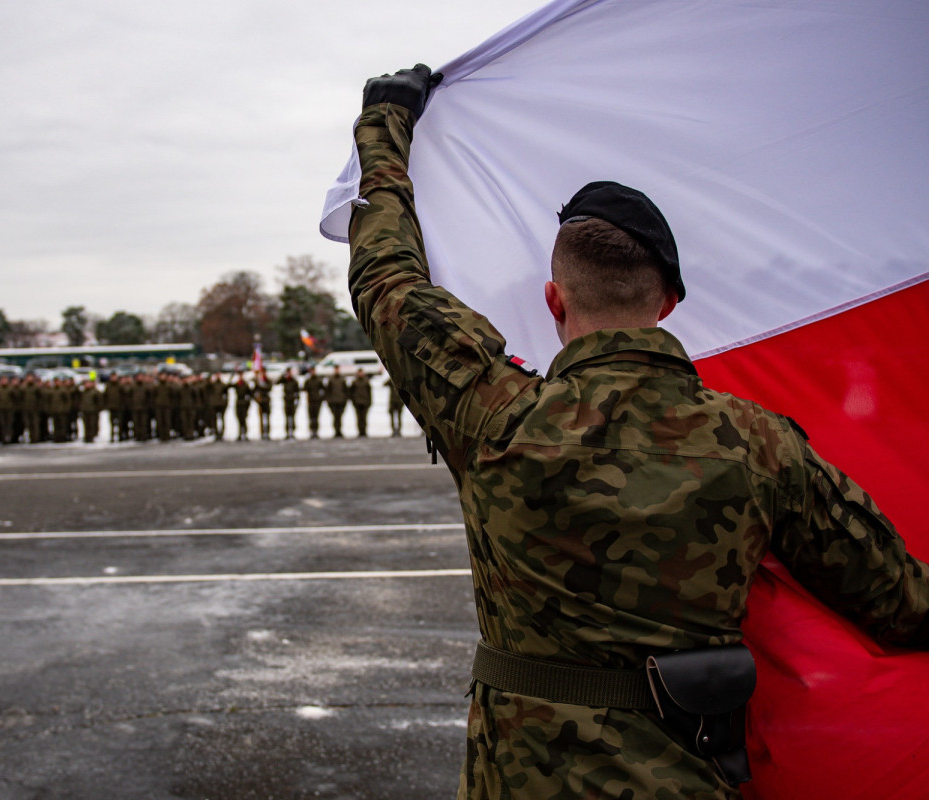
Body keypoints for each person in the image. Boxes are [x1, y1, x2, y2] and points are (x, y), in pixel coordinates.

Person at [348, 64, 929, 800]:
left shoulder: (495, 416)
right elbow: (902, 603)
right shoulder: (756, 445)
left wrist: (386, 122)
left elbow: (387, 280)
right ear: (671, 301)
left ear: (554, 299)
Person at [325, 366, 349, 438]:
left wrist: (345, 399)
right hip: (333, 401)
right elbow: (328, 391)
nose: (337, 371)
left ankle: (339, 430)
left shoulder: (342, 379)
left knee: (340, 417)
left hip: (341, 401)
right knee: (335, 417)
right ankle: (336, 430)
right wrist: (329, 400)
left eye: (338, 369)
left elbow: (346, 390)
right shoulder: (331, 379)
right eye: (336, 369)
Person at [348, 368, 372, 437]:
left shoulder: (366, 381)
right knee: (358, 418)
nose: (360, 374)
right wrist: (353, 401)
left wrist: (369, 401)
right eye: (359, 372)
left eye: (361, 372)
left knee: (364, 418)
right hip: (357, 402)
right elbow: (351, 392)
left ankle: (364, 431)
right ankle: (360, 431)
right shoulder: (354, 382)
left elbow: (369, 392)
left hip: (365, 402)